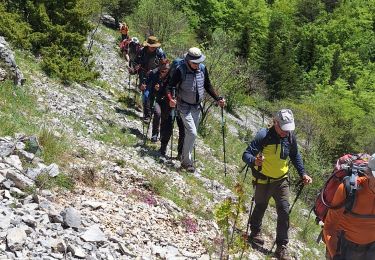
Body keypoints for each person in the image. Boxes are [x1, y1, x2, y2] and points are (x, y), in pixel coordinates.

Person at [242, 109, 313, 260]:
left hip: (281, 180)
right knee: (260, 206)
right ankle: (255, 233)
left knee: (284, 210)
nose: (286, 132)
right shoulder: (264, 135)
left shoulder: (290, 137)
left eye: (288, 129)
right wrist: (254, 161)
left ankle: (281, 247)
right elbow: (246, 154)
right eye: (283, 129)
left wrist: (303, 173)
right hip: (263, 179)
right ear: (275, 123)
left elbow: (295, 156)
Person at [167, 47, 225, 172]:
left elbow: (207, 85)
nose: (197, 65)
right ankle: (186, 162)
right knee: (192, 133)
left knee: (191, 135)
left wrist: (217, 98)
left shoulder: (202, 69)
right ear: (188, 60)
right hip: (183, 106)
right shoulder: (180, 70)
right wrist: (171, 99)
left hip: (197, 107)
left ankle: (185, 158)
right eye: (195, 63)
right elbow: (170, 86)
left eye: (198, 62)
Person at [323, 153, 375, 260]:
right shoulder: (348, 190)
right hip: (343, 247)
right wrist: (336, 255)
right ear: (368, 173)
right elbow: (329, 227)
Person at [134, 36, 166, 121]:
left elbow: (164, 65)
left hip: (155, 77)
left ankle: (150, 113)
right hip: (143, 74)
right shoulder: (142, 51)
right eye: (151, 46)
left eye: (154, 46)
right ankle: (147, 116)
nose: (153, 48)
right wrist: (135, 67)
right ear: (148, 45)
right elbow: (135, 61)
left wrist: (154, 70)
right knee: (145, 94)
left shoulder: (160, 53)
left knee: (152, 95)